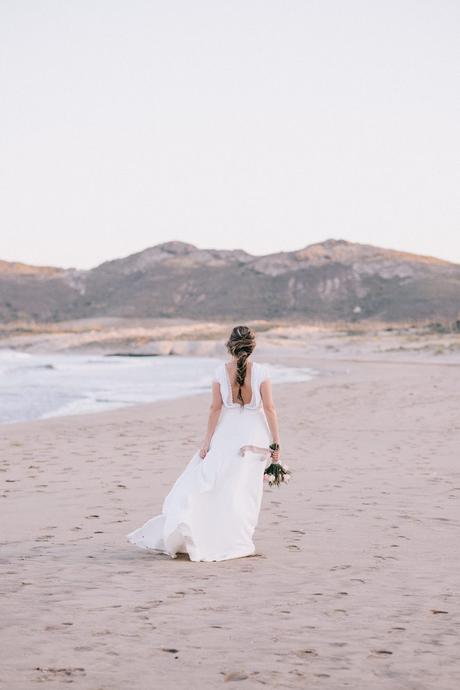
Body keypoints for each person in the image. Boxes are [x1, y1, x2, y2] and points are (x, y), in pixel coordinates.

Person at [126, 325, 281, 562]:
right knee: (244, 491)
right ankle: (236, 538)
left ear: (230, 346)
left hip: (227, 435)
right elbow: (269, 408)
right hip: (254, 436)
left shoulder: (221, 371)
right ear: (252, 347)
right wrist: (276, 443)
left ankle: (208, 531)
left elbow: (215, 408)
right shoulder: (261, 372)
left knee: (216, 483)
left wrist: (207, 442)